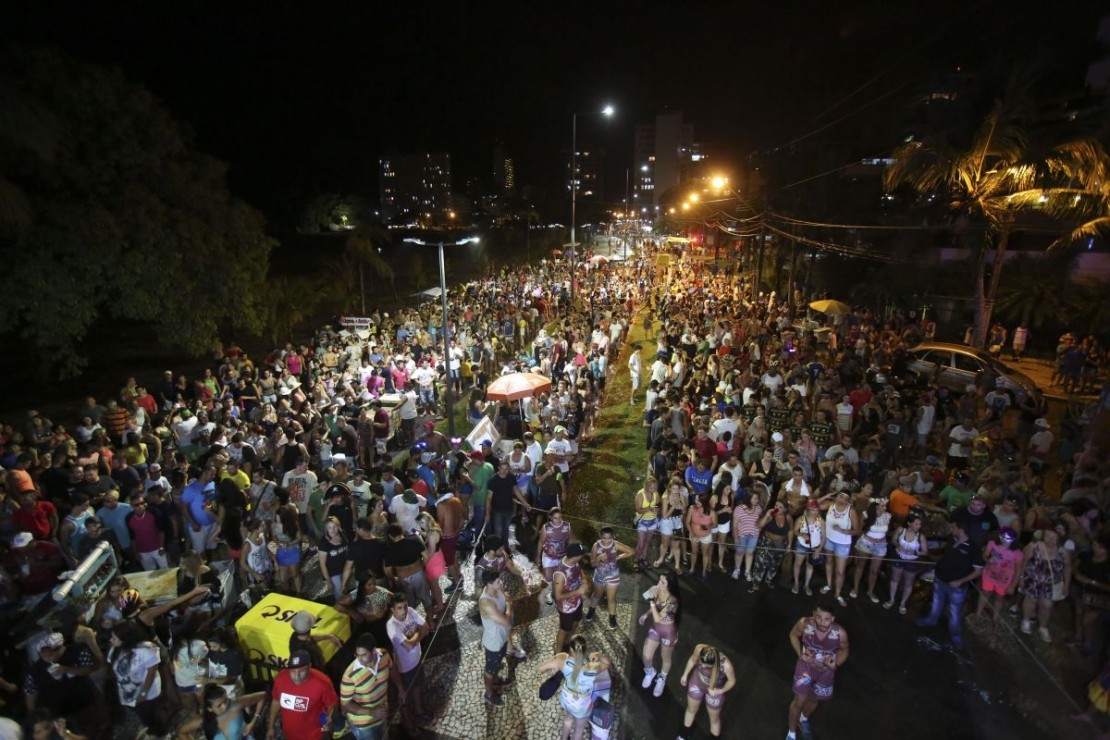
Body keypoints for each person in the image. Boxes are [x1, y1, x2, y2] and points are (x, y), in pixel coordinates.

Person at [915, 519, 983, 648]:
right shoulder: (952, 540)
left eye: (953, 527)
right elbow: (946, 556)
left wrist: (960, 581)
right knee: (936, 602)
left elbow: (978, 571)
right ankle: (931, 619)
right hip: (940, 579)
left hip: (957, 586)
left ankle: (955, 635)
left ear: (961, 530)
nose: (951, 529)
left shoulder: (974, 549)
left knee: (954, 611)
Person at [786, 601, 850, 740]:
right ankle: (791, 733)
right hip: (805, 667)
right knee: (798, 701)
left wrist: (836, 664)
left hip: (826, 672)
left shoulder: (840, 633)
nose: (822, 622)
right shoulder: (804, 623)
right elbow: (793, 635)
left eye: (827, 619)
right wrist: (800, 654)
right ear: (813, 615)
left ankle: (803, 718)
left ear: (832, 619)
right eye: (819, 617)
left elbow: (845, 650)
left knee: (815, 699)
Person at [536, 635, 611, 740]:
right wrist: (597, 655)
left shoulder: (563, 661)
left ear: (569, 648)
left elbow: (540, 667)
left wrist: (558, 658)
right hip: (581, 705)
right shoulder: (591, 668)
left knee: (568, 718)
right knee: (579, 729)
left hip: (567, 699)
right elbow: (607, 663)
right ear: (584, 650)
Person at [266, 650, 338, 740]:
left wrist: (329, 719)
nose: (297, 676)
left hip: (316, 736)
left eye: (301, 671)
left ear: (309, 666)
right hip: (289, 734)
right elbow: (276, 701)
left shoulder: (322, 682)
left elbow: (332, 704)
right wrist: (271, 726)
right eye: (293, 671)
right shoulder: (280, 679)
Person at [477, 568, 523, 707]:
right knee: (490, 670)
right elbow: (505, 621)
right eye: (498, 581)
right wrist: (509, 605)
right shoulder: (486, 603)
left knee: (497, 664)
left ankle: (496, 681)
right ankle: (489, 694)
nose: (501, 582)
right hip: (494, 642)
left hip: (502, 638)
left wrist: (507, 600)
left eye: (500, 579)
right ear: (489, 584)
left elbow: (506, 596)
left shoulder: (497, 588)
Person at [107, 621, 163, 731]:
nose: (110, 640)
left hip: (147, 692)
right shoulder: (115, 649)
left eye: (114, 638)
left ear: (125, 639)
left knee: (151, 715)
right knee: (141, 714)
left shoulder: (146, 649)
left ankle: (159, 731)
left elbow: (152, 672)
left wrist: (143, 693)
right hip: (127, 693)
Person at [386, 592, 430, 729]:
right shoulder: (392, 626)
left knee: (418, 685)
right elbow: (409, 645)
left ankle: (418, 710)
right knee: (405, 694)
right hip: (405, 667)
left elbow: (426, 628)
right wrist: (417, 632)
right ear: (392, 610)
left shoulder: (410, 611)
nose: (404, 610)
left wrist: (415, 637)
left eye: (405, 606)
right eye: (399, 608)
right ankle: (408, 723)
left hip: (417, 658)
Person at [1019, 527, 1071, 643]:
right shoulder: (1034, 546)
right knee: (1031, 599)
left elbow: (1067, 568)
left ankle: (1043, 627)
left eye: (1053, 537)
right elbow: (1023, 561)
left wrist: (1066, 585)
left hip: (1050, 584)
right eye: (1047, 536)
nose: (1050, 539)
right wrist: (1021, 577)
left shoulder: (1063, 552)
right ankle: (1026, 620)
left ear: (1059, 538)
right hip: (1033, 580)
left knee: (1047, 605)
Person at [677, 644, 737, 740]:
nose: (703, 666)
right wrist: (685, 674)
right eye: (702, 662)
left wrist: (720, 691)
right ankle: (684, 735)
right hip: (697, 683)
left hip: (714, 691)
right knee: (691, 709)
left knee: (714, 720)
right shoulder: (699, 649)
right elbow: (692, 660)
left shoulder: (725, 665)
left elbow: (732, 681)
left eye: (707, 665)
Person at [340, 633, 392, 740]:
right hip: (363, 725)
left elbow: (392, 669)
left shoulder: (384, 655)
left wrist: (401, 689)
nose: (360, 659)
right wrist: (372, 712)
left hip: (381, 716)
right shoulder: (350, 675)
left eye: (364, 655)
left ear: (373, 651)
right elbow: (345, 705)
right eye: (357, 655)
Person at [175, 684, 267, 740]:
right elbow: (181, 732)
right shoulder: (204, 720)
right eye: (219, 705)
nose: (225, 706)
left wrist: (254, 721)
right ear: (210, 709)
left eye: (225, 701)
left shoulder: (236, 704)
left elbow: (262, 695)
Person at [974, 527, 1024, 629]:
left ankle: (995, 618)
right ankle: (978, 614)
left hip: (1004, 580)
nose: (1004, 541)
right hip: (989, 575)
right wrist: (988, 559)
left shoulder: (1018, 553)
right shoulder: (992, 544)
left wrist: (1013, 586)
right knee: (985, 594)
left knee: (999, 599)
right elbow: (985, 555)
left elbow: (1018, 571)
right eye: (1002, 538)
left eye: (1008, 539)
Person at [585, 527, 633, 629]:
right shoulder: (596, 545)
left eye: (609, 538)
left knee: (611, 598)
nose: (607, 541)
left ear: (613, 537)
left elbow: (631, 551)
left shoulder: (615, 544)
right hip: (599, 574)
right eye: (604, 538)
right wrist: (598, 558)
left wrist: (618, 557)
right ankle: (591, 610)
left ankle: (612, 617)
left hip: (613, 575)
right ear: (600, 537)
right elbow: (592, 564)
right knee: (597, 595)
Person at [884, 513, 929, 615]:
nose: (919, 526)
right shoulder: (901, 530)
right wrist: (898, 546)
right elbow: (893, 539)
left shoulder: (920, 536)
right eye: (916, 524)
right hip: (898, 557)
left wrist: (915, 552)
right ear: (909, 523)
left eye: (920, 524)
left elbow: (925, 552)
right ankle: (891, 599)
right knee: (895, 579)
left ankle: (903, 603)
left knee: (908, 583)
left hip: (912, 561)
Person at [820, 490, 860, 607]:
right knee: (829, 562)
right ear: (836, 496)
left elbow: (857, 530)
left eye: (845, 498)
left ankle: (837, 594)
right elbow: (814, 504)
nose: (842, 499)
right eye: (840, 496)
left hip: (843, 543)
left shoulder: (851, 511)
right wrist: (826, 495)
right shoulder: (830, 505)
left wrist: (843, 531)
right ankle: (829, 585)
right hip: (829, 539)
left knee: (840, 571)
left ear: (848, 500)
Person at [851, 498, 891, 602]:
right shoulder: (866, 514)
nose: (885, 508)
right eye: (882, 506)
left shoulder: (888, 516)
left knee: (874, 570)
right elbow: (860, 530)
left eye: (885, 506)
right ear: (876, 506)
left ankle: (870, 591)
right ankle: (855, 588)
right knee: (860, 566)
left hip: (880, 545)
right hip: (866, 543)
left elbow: (886, 532)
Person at [553, 542, 589, 654]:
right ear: (576, 556)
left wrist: (584, 579)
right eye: (581, 554)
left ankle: (567, 642)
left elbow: (579, 571)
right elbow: (558, 596)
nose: (583, 555)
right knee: (564, 629)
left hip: (577, 601)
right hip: (566, 608)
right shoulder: (560, 574)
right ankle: (558, 653)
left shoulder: (574, 562)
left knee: (576, 621)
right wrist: (578, 591)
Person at [750, 503, 793, 592]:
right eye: (776, 506)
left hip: (781, 544)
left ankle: (768, 579)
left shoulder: (788, 518)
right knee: (760, 563)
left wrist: (789, 544)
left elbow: (791, 531)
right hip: (767, 542)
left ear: (785, 509)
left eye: (780, 507)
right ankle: (756, 583)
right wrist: (767, 515)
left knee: (775, 564)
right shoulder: (770, 516)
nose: (777, 508)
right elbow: (759, 525)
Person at [536, 507, 572, 605]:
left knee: (560, 577)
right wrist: (537, 557)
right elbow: (540, 542)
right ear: (551, 518)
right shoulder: (546, 527)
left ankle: (556, 593)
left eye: (560, 517)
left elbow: (570, 541)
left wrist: (571, 555)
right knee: (548, 577)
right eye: (555, 518)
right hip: (548, 556)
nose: (558, 520)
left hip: (562, 556)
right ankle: (550, 592)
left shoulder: (567, 526)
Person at [792, 500, 824, 595]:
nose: (815, 512)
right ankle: (796, 583)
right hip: (801, 544)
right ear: (808, 510)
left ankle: (806, 585)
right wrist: (802, 534)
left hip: (815, 547)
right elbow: (795, 531)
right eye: (812, 509)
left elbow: (823, 536)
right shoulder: (801, 519)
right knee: (798, 564)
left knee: (810, 565)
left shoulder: (820, 521)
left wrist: (819, 549)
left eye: (816, 510)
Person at [633, 479, 659, 571]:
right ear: (646, 486)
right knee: (641, 544)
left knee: (648, 541)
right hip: (642, 522)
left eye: (654, 487)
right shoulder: (640, 494)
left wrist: (657, 509)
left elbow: (658, 505)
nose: (653, 489)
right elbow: (638, 510)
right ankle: (636, 560)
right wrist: (649, 509)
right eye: (651, 487)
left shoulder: (656, 493)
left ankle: (643, 558)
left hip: (653, 521)